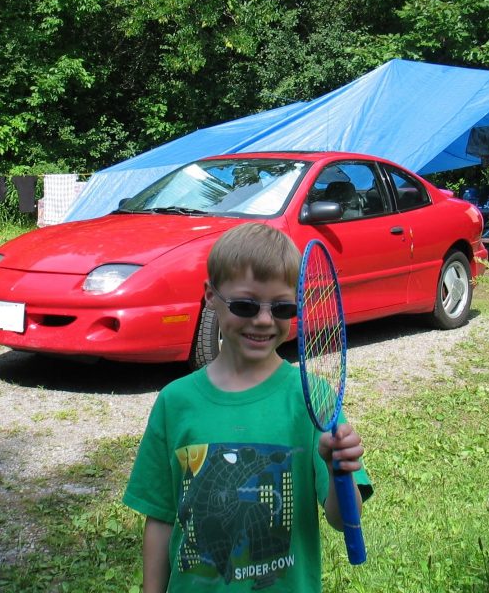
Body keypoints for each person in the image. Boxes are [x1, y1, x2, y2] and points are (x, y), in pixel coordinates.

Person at [123, 223, 372, 591]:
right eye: (245, 304)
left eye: (282, 307)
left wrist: (340, 470)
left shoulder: (313, 398)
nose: (263, 320)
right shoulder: (175, 402)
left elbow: (340, 518)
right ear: (210, 296)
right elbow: (159, 519)